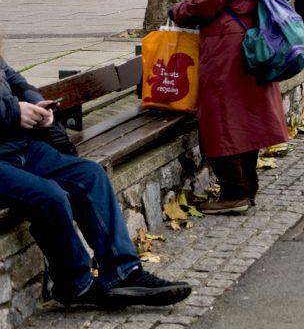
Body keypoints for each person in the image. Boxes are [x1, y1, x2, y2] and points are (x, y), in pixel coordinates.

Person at [0, 54, 192, 308]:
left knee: (90, 175)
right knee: (49, 196)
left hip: (19, 147)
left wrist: (38, 105)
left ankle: (124, 272)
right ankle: (75, 285)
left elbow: (16, 81)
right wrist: (13, 112)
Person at [171, 0, 289, 214]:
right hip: (252, 46)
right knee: (246, 119)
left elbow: (203, 7)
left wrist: (177, 11)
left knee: (221, 121)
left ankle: (233, 192)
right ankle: (248, 186)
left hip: (226, 52)